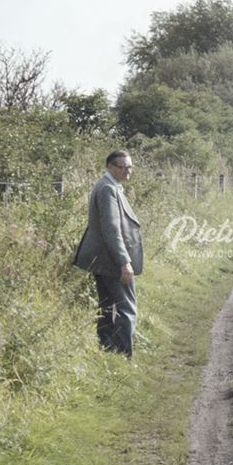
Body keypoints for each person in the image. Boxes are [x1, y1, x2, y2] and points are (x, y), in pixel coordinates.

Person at [73, 150, 143, 358]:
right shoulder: (107, 189)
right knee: (126, 308)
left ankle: (108, 350)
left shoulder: (111, 186)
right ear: (110, 167)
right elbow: (111, 229)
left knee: (107, 307)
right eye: (123, 167)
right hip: (111, 261)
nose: (128, 171)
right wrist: (124, 261)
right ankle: (124, 355)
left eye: (130, 166)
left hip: (104, 260)